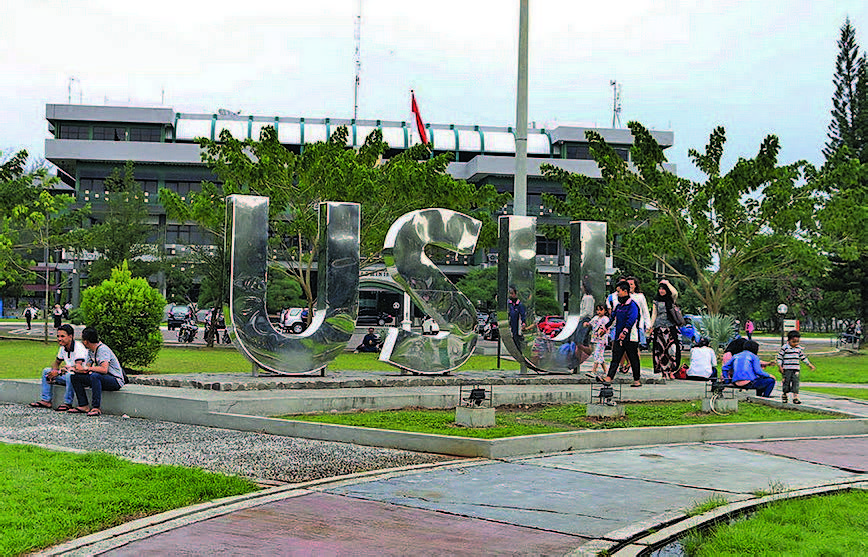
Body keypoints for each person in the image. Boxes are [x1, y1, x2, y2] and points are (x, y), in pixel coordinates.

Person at [29, 324, 87, 411]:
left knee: (70, 375)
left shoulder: (78, 347)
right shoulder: (63, 347)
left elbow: (78, 367)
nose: (59, 339)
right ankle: (46, 400)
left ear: (70, 336)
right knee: (46, 371)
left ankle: (68, 403)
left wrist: (59, 372)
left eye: (62, 336)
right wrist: (54, 371)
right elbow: (56, 363)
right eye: (58, 336)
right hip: (67, 374)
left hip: (80, 377)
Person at [68, 327, 124, 416]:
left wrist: (87, 368)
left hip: (115, 380)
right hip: (102, 378)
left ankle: (96, 407)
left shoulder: (102, 349)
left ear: (86, 341)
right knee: (75, 377)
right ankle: (83, 405)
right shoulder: (90, 351)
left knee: (95, 376)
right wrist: (74, 369)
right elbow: (87, 368)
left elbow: (104, 369)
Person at [596, 280, 642, 387]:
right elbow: (612, 318)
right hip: (618, 336)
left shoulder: (632, 305)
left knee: (633, 358)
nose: (617, 294)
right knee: (615, 357)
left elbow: (631, 319)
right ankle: (609, 378)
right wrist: (604, 328)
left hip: (630, 337)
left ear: (625, 291)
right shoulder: (619, 306)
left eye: (619, 291)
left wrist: (625, 332)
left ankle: (637, 380)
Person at [649, 279, 681, 380]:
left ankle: (671, 370)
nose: (661, 291)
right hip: (659, 328)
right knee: (660, 350)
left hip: (670, 327)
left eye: (663, 289)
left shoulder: (671, 299)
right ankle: (663, 371)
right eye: (660, 289)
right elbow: (654, 314)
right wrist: (650, 326)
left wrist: (667, 283)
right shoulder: (656, 301)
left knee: (672, 350)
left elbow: (675, 293)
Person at [777, 330, 815, 404]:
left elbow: (803, 357)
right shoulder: (785, 348)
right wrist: (780, 366)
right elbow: (780, 358)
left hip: (795, 369)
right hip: (787, 369)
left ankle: (795, 397)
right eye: (793, 341)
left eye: (797, 342)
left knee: (795, 383)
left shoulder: (798, 349)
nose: (795, 343)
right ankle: (785, 395)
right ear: (789, 340)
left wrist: (809, 365)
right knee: (786, 382)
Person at [588, 304, 610, 376]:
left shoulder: (605, 319)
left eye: (601, 310)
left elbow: (607, 329)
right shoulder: (595, 318)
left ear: (605, 311)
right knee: (600, 356)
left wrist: (602, 332)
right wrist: (586, 324)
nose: (599, 312)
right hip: (596, 339)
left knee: (597, 354)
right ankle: (606, 371)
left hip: (602, 340)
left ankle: (594, 371)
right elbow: (590, 323)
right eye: (597, 310)